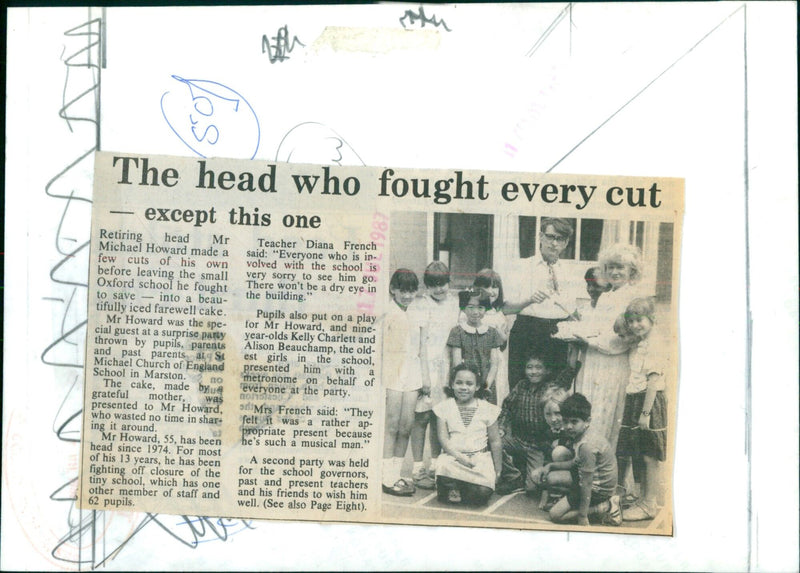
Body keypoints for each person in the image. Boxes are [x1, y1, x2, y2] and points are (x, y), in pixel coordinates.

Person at [556, 243, 644, 451]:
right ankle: (585, 464)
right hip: (593, 362)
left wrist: (588, 339)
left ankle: (602, 470)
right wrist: (575, 332)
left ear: (631, 270)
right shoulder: (606, 296)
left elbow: (625, 339)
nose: (614, 272)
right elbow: (594, 328)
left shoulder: (634, 298)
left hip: (613, 364)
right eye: (610, 267)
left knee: (607, 415)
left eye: (620, 267)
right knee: (591, 412)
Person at [504, 218, 578, 391]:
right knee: (520, 388)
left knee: (553, 392)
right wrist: (529, 299)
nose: (554, 243)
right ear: (540, 237)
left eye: (560, 239)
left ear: (566, 243)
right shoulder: (522, 266)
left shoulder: (569, 271)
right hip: (527, 331)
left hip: (557, 335)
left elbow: (572, 311)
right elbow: (506, 309)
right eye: (550, 237)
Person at [409, 262, 460, 490]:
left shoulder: (455, 303)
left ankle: (436, 465)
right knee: (422, 418)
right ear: (427, 286)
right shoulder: (420, 305)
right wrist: (424, 377)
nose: (439, 289)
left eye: (443, 283)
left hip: (447, 365)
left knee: (440, 416)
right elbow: (419, 344)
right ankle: (418, 467)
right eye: (434, 285)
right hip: (425, 365)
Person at [616, 298, 667, 521]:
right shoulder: (640, 342)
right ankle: (643, 499)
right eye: (633, 321)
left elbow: (653, 381)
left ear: (651, 319)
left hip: (649, 401)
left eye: (640, 320)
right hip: (636, 398)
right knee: (639, 452)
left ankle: (649, 503)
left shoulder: (654, 343)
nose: (636, 325)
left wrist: (645, 413)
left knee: (649, 456)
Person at [381, 269, 428, 496]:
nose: (407, 295)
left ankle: (397, 472)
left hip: (413, 372)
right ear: (393, 290)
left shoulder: (417, 313)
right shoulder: (387, 312)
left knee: (406, 425)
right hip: (391, 372)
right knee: (391, 424)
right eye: (403, 291)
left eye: (411, 291)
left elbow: (422, 349)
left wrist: (425, 377)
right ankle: (386, 477)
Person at [547, 393, 622, 526]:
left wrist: (582, 516)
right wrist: (550, 466)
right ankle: (578, 503)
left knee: (555, 515)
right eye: (566, 421)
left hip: (598, 490)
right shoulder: (582, 435)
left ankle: (605, 506)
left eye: (574, 421)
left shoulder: (587, 446)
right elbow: (574, 463)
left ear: (587, 421)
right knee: (551, 477)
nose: (568, 426)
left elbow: (587, 484)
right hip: (595, 484)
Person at [433, 363, 502, 506]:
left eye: (469, 383)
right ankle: (452, 485)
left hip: (479, 458)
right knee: (444, 466)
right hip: (453, 457)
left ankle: (460, 487)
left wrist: (498, 470)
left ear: (477, 387)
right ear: (452, 384)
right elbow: (443, 439)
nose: (464, 387)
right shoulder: (444, 407)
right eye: (459, 383)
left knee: (482, 494)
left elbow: (495, 441)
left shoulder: (488, 409)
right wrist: (459, 457)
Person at [495, 352, 559, 495]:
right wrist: (501, 427)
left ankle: (530, 470)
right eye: (529, 367)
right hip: (518, 440)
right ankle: (514, 477)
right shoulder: (521, 386)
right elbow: (507, 407)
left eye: (538, 368)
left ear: (547, 370)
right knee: (493, 442)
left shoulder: (550, 389)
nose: (533, 371)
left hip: (537, 446)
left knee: (532, 489)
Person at [447, 288, 503, 403]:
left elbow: (494, 364)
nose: (475, 312)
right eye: (471, 307)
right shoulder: (457, 331)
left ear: (486, 309)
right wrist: (465, 384)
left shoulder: (492, 332)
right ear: (463, 308)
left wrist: (486, 386)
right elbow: (456, 364)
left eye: (480, 307)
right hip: (465, 385)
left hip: (486, 383)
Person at [470, 269, 511, 404]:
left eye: (495, 287)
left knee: (495, 399)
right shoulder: (471, 312)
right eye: (487, 286)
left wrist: (501, 336)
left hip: (496, 364)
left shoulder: (499, 315)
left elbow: (503, 346)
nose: (491, 291)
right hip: (477, 362)